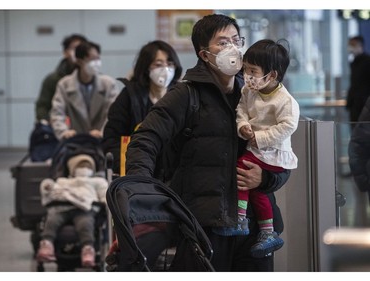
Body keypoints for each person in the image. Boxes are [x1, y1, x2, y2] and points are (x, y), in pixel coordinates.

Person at [122, 14, 291, 272]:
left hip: (256, 229)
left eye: (236, 40)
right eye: (222, 43)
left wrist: (265, 179)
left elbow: (283, 157)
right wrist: (143, 193)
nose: (233, 48)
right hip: (204, 227)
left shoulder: (257, 96)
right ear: (204, 54)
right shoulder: (186, 95)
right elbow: (145, 139)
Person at [212, 39, 299, 259]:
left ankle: (240, 218)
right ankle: (267, 231)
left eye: (253, 71)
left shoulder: (285, 101)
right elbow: (241, 110)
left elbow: (288, 125)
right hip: (257, 148)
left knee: (242, 167)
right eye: (246, 69)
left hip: (273, 153)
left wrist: (259, 137)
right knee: (258, 191)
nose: (247, 75)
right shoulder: (249, 90)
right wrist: (243, 126)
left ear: (272, 76)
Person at [102, 40, 183, 175]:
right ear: (146, 68)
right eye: (158, 64)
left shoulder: (181, 96)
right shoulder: (129, 96)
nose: (165, 69)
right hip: (136, 170)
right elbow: (112, 137)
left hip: (173, 173)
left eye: (170, 64)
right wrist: (126, 166)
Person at [36, 154, 108, 268]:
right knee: (52, 220)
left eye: (87, 165)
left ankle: (88, 248)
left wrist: (104, 202)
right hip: (62, 207)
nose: (83, 168)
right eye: (80, 165)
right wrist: (48, 187)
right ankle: (47, 244)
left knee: (85, 224)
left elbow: (105, 194)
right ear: (72, 168)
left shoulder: (97, 181)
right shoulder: (63, 181)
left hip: (84, 209)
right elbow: (52, 190)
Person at [50, 40, 119, 141]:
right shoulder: (64, 84)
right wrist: (64, 132)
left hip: (102, 141)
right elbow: (57, 113)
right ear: (79, 61)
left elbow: (114, 113)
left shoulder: (108, 84)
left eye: (98, 58)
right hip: (75, 141)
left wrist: (103, 132)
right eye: (91, 59)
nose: (96, 63)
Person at [35, 34, 87, 124]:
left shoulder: (97, 79)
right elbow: (42, 107)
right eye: (74, 48)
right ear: (65, 52)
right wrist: (50, 121)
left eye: (81, 48)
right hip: (59, 127)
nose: (78, 52)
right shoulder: (52, 79)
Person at [345, 35, 370, 130]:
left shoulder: (367, 62)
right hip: (354, 106)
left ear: (360, 46)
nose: (350, 47)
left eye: (353, 45)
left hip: (365, 106)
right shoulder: (354, 63)